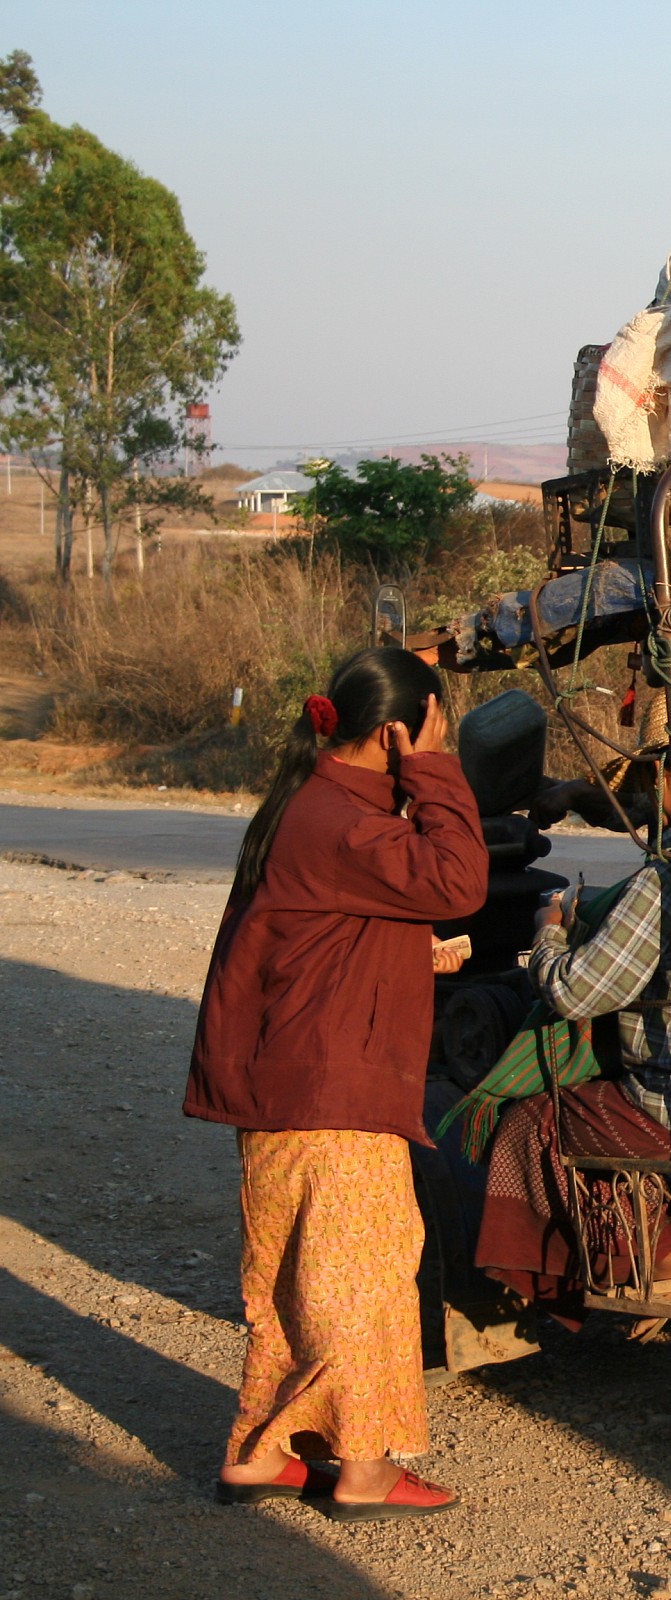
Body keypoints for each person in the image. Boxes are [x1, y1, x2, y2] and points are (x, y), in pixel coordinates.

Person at [186, 648, 487, 1520]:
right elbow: (459, 879)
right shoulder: (344, 820)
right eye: (431, 731)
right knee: (366, 1272)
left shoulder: (317, 806)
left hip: (294, 1080)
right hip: (330, 1091)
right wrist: (435, 769)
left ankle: (264, 1451)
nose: (435, 745)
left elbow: (319, 932)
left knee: (296, 1277)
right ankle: (364, 1468)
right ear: (396, 733)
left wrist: (404, 951)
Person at [466, 727, 671, 1308]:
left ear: (663, 775)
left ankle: (659, 1253)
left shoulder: (670, 879)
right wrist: (575, 795)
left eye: (646, 778)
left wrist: (549, 932)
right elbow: (637, 816)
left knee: (531, 1121)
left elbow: (574, 992)